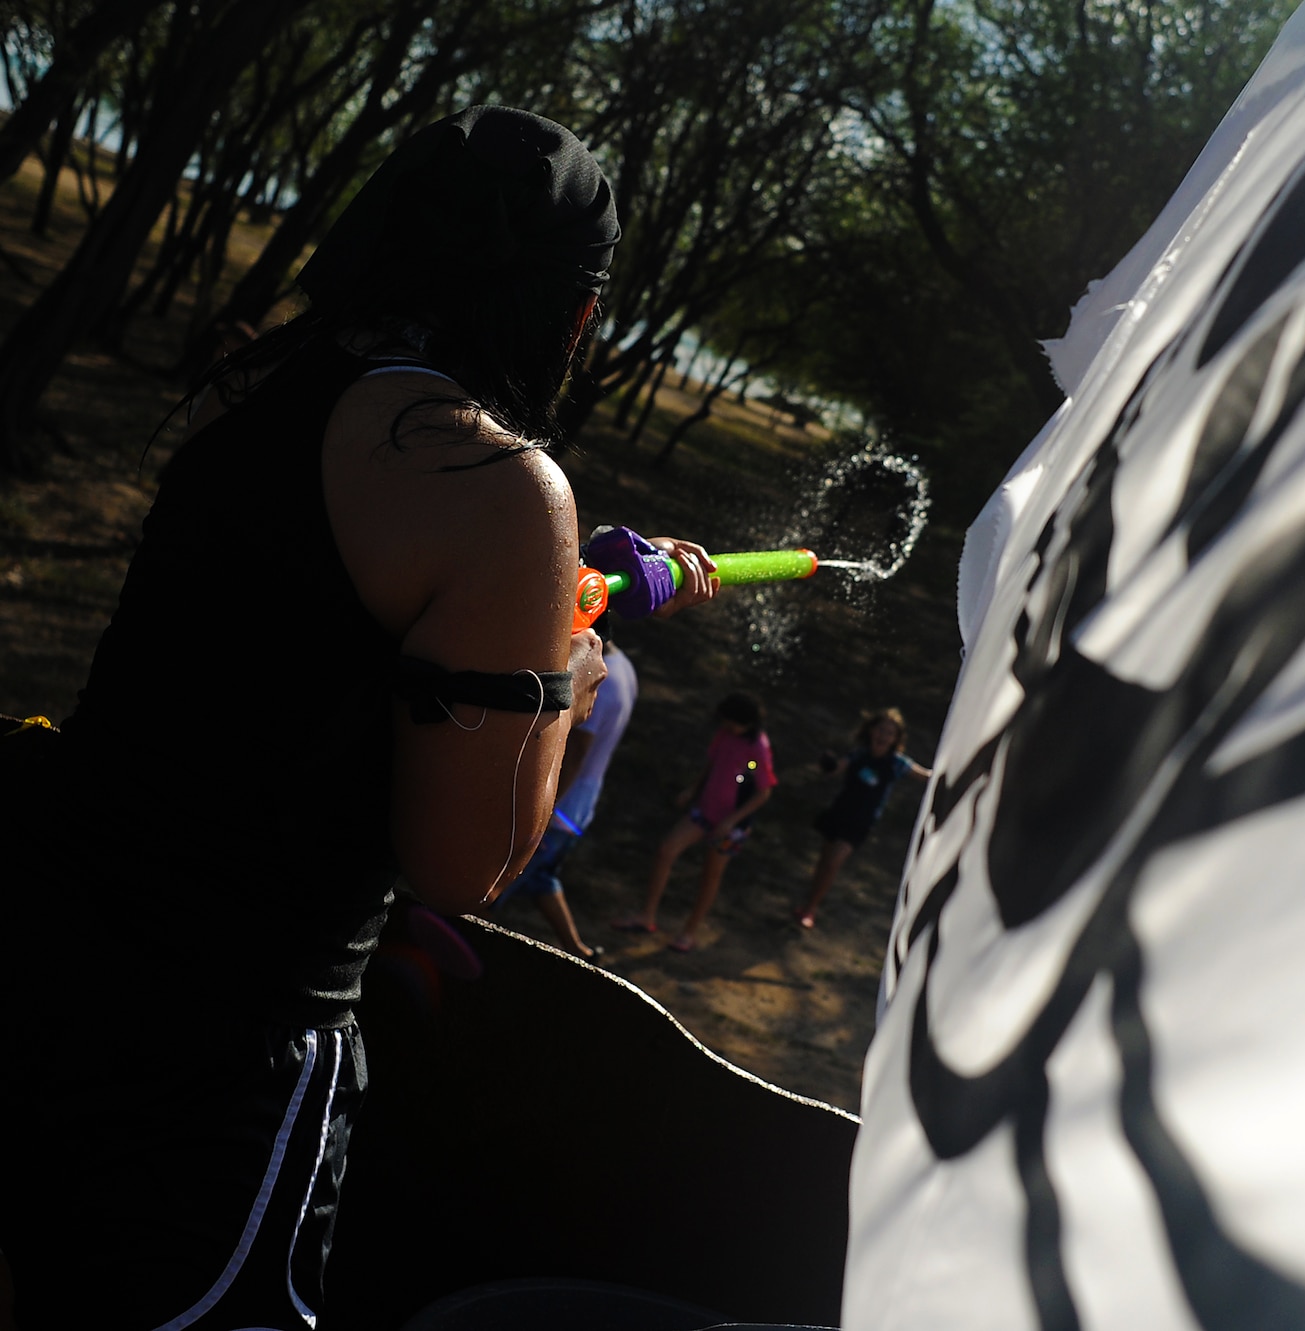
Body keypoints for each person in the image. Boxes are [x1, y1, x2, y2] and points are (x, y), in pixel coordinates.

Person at [0, 106, 718, 1329]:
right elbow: (471, 859)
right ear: (576, 310)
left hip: (45, 967)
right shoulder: (494, 487)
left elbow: (240, 717)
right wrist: (574, 675)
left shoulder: (257, 411)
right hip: (208, 1075)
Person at [490, 632, 640, 961]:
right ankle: (579, 950)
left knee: (497, 882)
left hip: (564, 806)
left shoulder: (601, 676)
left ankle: (467, 943)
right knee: (542, 878)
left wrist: (545, 810)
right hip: (583, 802)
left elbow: (576, 754)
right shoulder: (624, 668)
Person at [615, 692, 776, 952]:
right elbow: (713, 763)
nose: (725, 726)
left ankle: (689, 932)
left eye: (730, 722)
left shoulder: (757, 747)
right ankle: (647, 916)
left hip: (731, 825)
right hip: (705, 811)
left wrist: (733, 821)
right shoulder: (725, 735)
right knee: (666, 850)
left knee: (710, 876)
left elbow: (763, 792)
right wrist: (693, 789)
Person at [793, 708, 932, 929]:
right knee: (823, 861)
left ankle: (811, 909)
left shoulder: (897, 763)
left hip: (861, 822)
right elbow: (836, 769)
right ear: (870, 730)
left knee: (833, 863)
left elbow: (926, 776)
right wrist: (827, 764)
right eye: (880, 730)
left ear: (896, 739)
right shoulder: (859, 754)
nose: (883, 736)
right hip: (839, 812)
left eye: (889, 733)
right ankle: (807, 902)